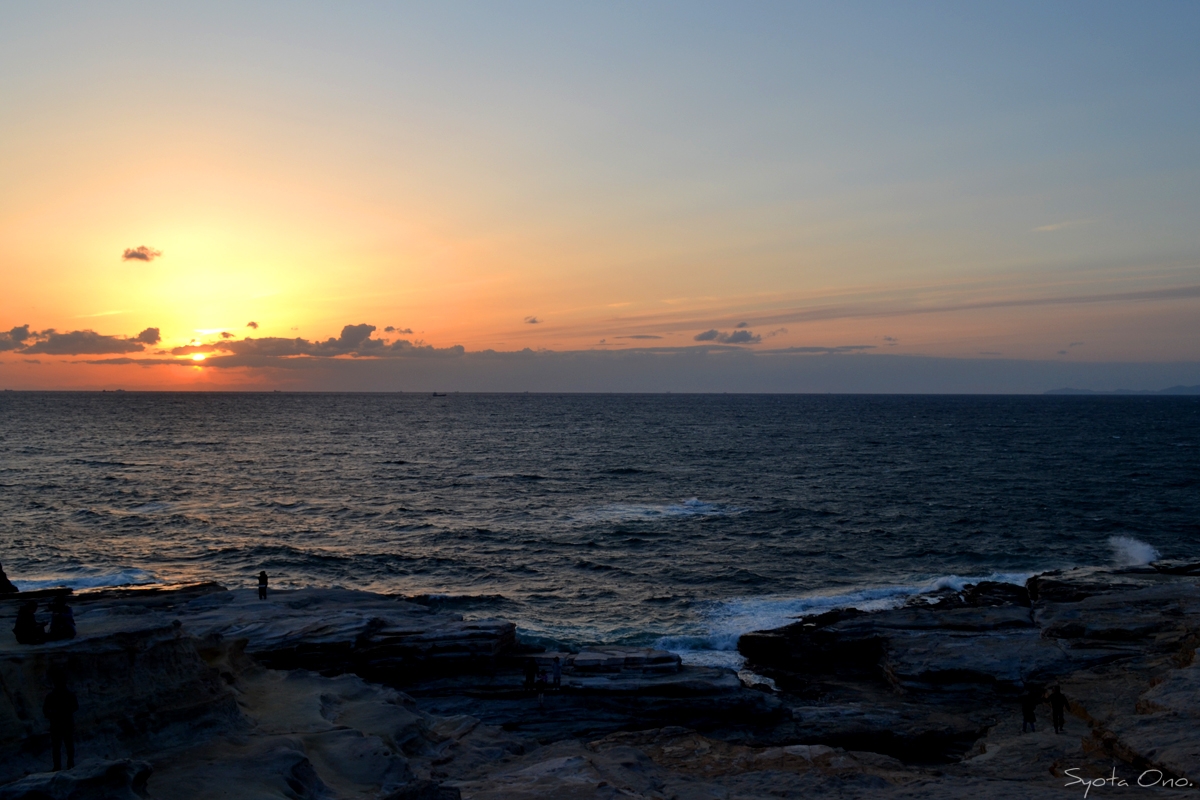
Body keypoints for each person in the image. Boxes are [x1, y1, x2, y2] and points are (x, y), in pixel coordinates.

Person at [44, 670, 78, 771]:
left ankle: (60, 765)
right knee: (67, 745)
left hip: (57, 724)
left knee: (58, 747)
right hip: (65, 723)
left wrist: (51, 716)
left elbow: (45, 710)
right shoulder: (69, 695)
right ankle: (69, 763)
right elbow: (75, 707)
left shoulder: (51, 696)